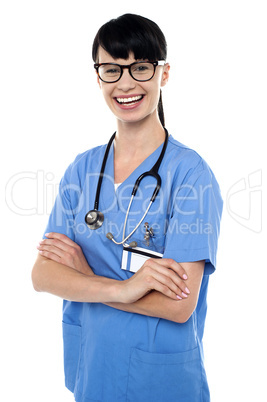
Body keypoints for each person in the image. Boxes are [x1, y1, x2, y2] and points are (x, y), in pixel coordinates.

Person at [32, 13, 223, 402]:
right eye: (111, 69)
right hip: (93, 370)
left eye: (139, 67)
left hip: (162, 381)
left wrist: (86, 279)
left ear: (163, 74)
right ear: (98, 76)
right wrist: (127, 289)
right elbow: (43, 275)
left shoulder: (190, 176)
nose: (125, 83)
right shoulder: (82, 169)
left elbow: (180, 305)